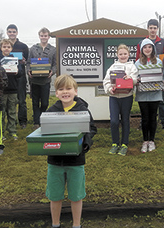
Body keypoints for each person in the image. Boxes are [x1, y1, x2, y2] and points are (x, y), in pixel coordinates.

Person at [46, 75, 97, 228]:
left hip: (76, 161)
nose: (65, 92)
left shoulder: (83, 110)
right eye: (61, 89)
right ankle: (55, 224)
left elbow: (91, 129)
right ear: (56, 93)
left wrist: (85, 144)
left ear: (75, 91)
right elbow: (45, 131)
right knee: (55, 196)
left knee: (76, 196)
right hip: (55, 161)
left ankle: (76, 225)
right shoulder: (51, 111)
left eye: (68, 88)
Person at [136, 19, 164, 131]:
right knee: (145, 104)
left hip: (158, 75)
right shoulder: (141, 43)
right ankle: (144, 123)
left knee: (162, 101)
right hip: (145, 76)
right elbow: (138, 59)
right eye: (150, 28)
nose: (152, 30)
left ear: (157, 29)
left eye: (154, 28)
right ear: (148, 28)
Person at [103, 44, 138, 156]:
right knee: (114, 121)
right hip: (114, 97)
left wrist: (130, 79)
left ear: (129, 54)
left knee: (125, 120)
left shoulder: (132, 67)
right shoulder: (113, 67)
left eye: (125, 54)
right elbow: (106, 81)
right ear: (117, 55)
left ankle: (124, 144)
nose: (123, 56)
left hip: (126, 97)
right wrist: (109, 89)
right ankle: (115, 143)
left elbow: (136, 80)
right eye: (120, 54)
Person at [135, 39, 164, 153]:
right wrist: (136, 80)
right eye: (145, 47)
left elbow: (163, 75)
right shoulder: (137, 63)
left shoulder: (158, 62)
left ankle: (152, 140)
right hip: (142, 94)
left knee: (153, 117)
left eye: (150, 47)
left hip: (155, 94)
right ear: (142, 49)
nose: (147, 49)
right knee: (145, 118)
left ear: (153, 48)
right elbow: (135, 76)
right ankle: (145, 140)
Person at [27, 27, 57, 130]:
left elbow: (55, 64)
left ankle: (43, 118)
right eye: (41, 35)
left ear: (48, 37)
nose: (43, 37)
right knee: (35, 102)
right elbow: (28, 63)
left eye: (45, 36)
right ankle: (36, 122)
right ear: (39, 36)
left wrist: (52, 72)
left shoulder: (53, 50)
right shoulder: (32, 49)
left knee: (44, 102)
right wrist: (29, 71)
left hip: (46, 80)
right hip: (34, 80)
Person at [6, 24, 29, 129]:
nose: (12, 33)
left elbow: (27, 60)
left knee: (22, 99)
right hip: (8, 77)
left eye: (13, 31)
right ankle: (12, 121)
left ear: (17, 33)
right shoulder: (4, 45)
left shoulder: (23, 46)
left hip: (20, 76)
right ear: (7, 33)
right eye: (10, 32)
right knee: (9, 100)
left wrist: (23, 61)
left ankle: (23, 121)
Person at [0, 39, 21, 140]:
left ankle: (12, 131)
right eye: (4, 47)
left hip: (13, 89)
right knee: (1, 112)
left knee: (12, 112)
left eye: (8, 47)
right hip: (1, 90)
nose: (6, 49)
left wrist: (17, 72)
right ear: (1, 48)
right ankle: (1, 132)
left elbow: (20, 73)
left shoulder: (14, 59)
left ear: (11, 48)